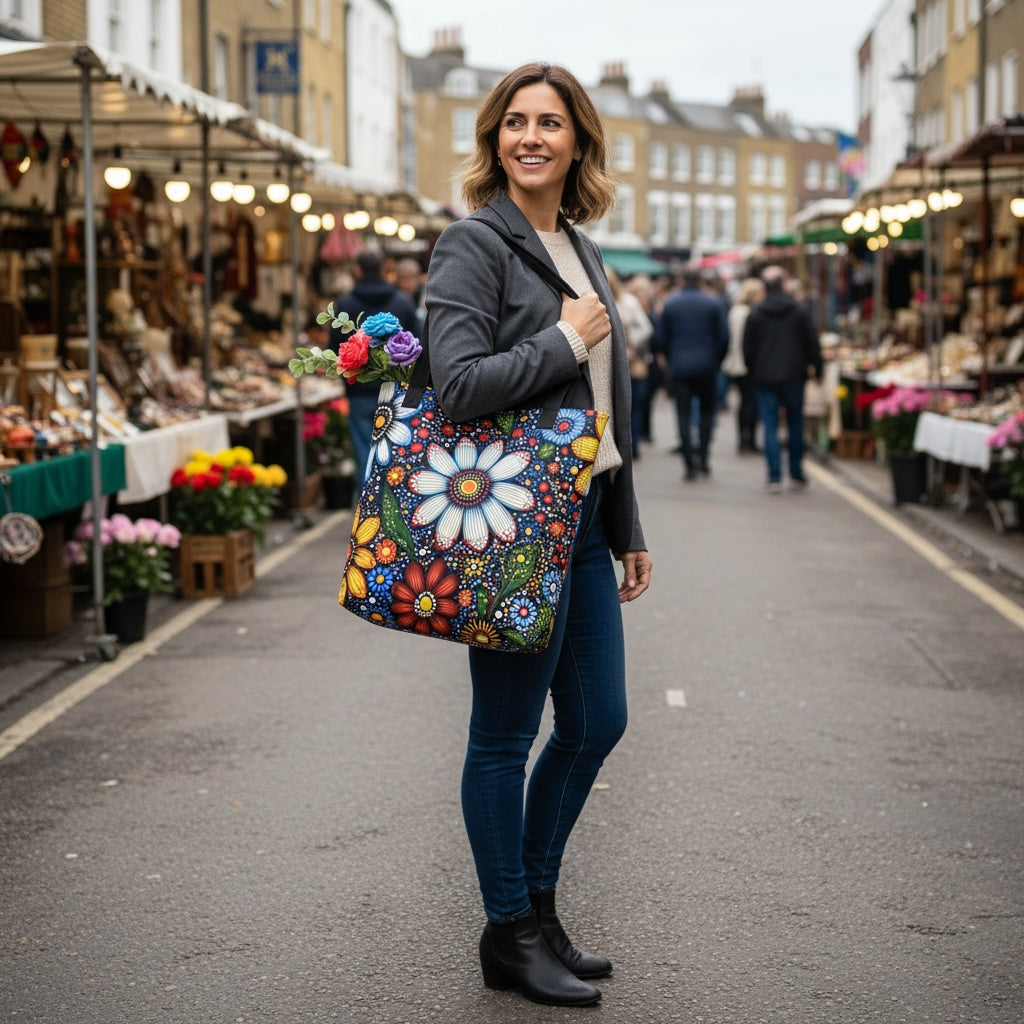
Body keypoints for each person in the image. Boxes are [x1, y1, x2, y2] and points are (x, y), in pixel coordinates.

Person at [424, 61, 653, 1008]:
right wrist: (562, 340)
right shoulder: (473, 244)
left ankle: (536, 908)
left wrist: (627, 519)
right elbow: (458, 384)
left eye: (550, 123)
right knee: (505, 735)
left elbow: (605, 404)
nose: (530, 137)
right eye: (514, 122)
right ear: (494, 139)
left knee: (600, 719)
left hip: (585, 517)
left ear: (578, 142)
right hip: (514, 526)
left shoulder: (578, 245)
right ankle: (510, 931)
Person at [329, 250, 418, 478]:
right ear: (383, 269)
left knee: (363, 454)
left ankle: (367, 508)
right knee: (398, 453)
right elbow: (419, 347)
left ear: (357, 270)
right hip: (397, 391)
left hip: (359, 391)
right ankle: (394, 507)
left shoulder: (345, 304)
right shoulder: (403, 302)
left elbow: (335, 349)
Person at [742, 265, 823, 492]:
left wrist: (753, 373)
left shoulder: (756, 313)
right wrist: (817, 370)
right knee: (796, 424)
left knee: (770, 426)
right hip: (794, 376)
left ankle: (774, 476)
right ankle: (796, 473)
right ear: (784, 285)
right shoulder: (799, 311)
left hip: (764, 377)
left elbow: (747, 350)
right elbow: (812, 344)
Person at [652, 266, 728, 480]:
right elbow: (723, 338)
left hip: (680, 368)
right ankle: (703, 458)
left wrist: (670, 359)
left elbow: (660, 339)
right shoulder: (714, 303)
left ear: (682, 281)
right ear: (701, 281)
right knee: (706, 414)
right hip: (707, 367)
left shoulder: (671, 303)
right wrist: (716, 361)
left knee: (683, 415)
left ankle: (689, 464)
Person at [604, 265, 653, 460]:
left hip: (631, 364)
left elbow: (646, 329)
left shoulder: (628, 302)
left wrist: (630, 346)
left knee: (633, 407)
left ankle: (632, 447)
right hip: (608, 366)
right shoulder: (591, 300)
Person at [722, 276, 765, 453]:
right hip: (746, 363)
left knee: (745, 402)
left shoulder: (735, 310)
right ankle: (748, 441)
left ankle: (744, 440)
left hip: (737, 362)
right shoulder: (747, 312)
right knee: (750, 403)